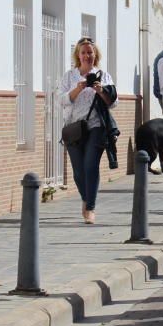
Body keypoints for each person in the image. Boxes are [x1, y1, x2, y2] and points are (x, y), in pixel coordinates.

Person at [60, 38, 118, 224]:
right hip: (74, 128)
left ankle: (90, 207)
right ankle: (86, 198)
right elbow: (61, 100)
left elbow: (114, 103)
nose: (87, 56)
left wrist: (101, 90)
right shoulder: (70, 76)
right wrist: (77, 89)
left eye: (90, 53)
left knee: (90, 165)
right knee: (78, 171)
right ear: (78, 55)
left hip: (96, 127)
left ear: (95, 55)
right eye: (83, 52)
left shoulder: (103, 75)